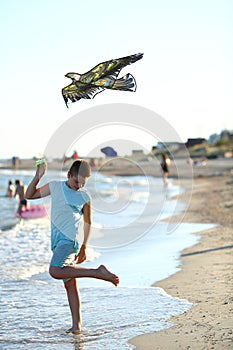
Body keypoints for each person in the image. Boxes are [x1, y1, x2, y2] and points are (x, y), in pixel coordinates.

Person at [25, 159, 119, 333]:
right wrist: (38, 177)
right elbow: (29, 195)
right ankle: (77, 326)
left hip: (70, 240)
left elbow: (87, 222)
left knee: (55, 271)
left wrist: (84, 247)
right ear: (69, 175)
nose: (79, 186)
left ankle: (97, 272)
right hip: (57, 241)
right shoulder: (54, 187)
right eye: (76, 182)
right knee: (70, 284)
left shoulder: (84, 197)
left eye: (83, 184)